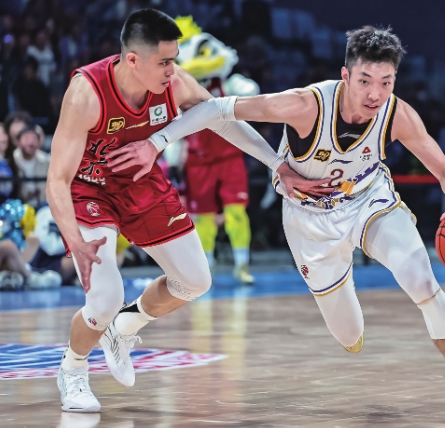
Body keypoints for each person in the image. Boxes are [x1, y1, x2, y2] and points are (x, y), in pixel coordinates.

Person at [138, 25, 445, 425]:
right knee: (349, 336)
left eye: (386, 82)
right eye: (365, 81)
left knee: (423, 284)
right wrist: (157, 143)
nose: (375, 94)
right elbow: (215, 109)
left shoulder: (397, 115)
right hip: (309, 222)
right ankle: (342, 286)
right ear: (346, 75)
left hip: (369, 203)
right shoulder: (305, 105)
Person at [46, 8, 328, 414]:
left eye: (174, 59)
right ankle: (73, 369)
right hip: (87, 190)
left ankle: (125, 326)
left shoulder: (175, 82)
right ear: (132, 60)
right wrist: (75, 241)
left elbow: (222, 118)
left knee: (195, 280)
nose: (172, 70)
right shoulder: (86, 93)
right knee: (105, 297)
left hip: (140, 183)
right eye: (164, 62)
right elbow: (57, 179)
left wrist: (276, 164)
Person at [174, 17, 259, 283]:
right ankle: (206, 267)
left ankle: (242, 265)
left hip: (230, 155)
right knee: (203, 219)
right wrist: (174, 157)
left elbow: (251, 91)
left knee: (236, 212)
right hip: (198, 160)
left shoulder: (227, 84)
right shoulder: (181, 93)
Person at [13, 125, 50, 208]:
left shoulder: (46, 161)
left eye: (34, 138)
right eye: (26, 138)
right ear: (18, 142)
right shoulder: (12, 160)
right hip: (17, 205)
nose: (30, 142)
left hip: (42, 205)